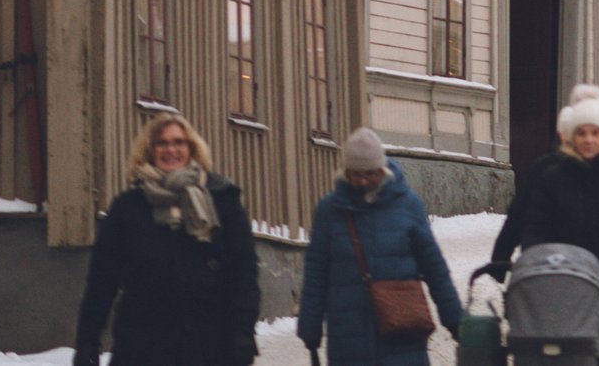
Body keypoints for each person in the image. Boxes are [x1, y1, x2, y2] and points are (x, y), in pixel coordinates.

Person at [484, 85, 599, 366]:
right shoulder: (552, 179)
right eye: (581, 133)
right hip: (566, 301)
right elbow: (533, 230)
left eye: (595, 133)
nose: (588, 140)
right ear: (571, 137)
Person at [72, 113, 260, 366]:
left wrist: (243, 333)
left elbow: (243, 274)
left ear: (191, 149)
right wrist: (87, 341)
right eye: (162, 143)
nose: (171, 149)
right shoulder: (129, 207)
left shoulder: (221, 200)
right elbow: (102, 279)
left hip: (210, 344)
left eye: (179, 142)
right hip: (143, 345)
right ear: (149, 150)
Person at [298, 128, 466, 365]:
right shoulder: (330, 210)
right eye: (356, 174)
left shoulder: (407, 205)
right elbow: (316, 272)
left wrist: (455, 320)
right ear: (346, 172)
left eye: (370, 173)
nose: (363, 180)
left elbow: (434, 267)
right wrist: (310, 327)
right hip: (349, 335)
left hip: (402, 331)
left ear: (382, 169)